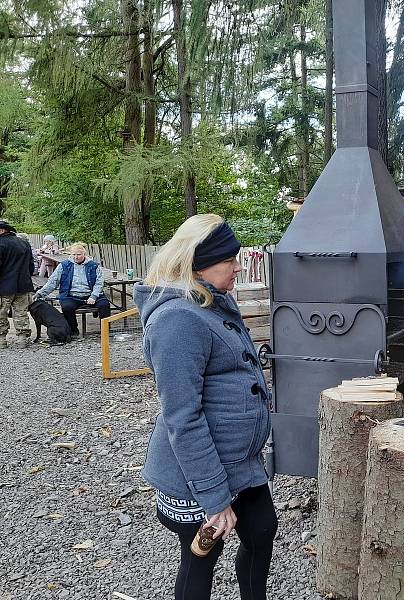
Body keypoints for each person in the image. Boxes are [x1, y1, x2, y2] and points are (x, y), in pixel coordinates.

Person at [133, 214, 277, 600]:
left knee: (262, 531)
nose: (238, 266)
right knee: (200, 559)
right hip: (196, 474)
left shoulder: (211, 303)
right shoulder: (177, 319)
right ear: (199, 263)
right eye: (230, 260)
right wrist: (215, 500)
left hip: (239, 463)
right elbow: (183, 417)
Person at [33, 242, 111, 337]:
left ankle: (105, 330)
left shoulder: (94, 266)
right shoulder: (64, 265)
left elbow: (99, 283)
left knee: (104, 304)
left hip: (91, 295)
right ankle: (73, 330)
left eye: (78, 254)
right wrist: (40, 293)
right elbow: (52, 282)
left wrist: (94, 296)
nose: (76, 257)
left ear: (84, 254)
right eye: (73, 254)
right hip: (71, 295)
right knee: (67, 307)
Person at [0, 220, 35, 348]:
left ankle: (2, 340)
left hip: (3, 287)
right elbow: (31, 266)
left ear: (2, 230)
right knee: (21, 312)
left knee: (1, 313)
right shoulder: (24, 243)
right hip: (23, 285)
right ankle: (22, 339)